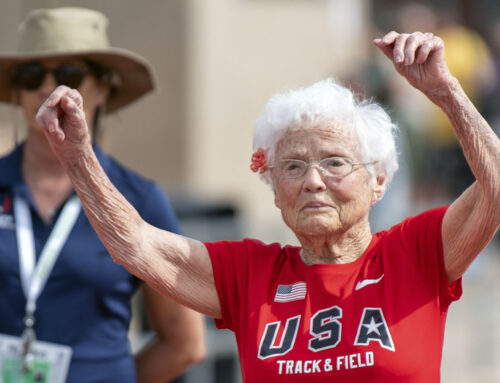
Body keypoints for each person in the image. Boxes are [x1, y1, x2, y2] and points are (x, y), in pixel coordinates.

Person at [37, 30, 499, 382]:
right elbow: (136, 245)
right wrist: (78, 157)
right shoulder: (251, 275)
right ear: (274, 189)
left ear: (377, 180)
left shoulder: (413, 254)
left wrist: (445, 92)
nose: (313, 181)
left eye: (335, 163)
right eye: (293, 167)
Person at [0, 7, 205, 383]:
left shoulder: (138, 199)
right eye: (31, 75)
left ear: (104, 87)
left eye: (69, 74)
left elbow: (185, 343)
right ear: (17, 89)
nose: (48, 87)